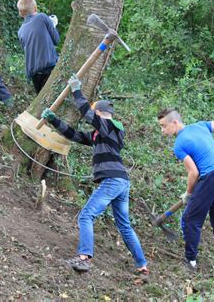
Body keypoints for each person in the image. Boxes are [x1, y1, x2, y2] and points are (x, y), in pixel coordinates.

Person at [41, 75, 149, 277]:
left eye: (94, 112)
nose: (93, 117)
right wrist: (55, 121)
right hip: (121, 182)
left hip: (113, 180)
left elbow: (88, 115)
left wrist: (76, 90)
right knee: (124, 225)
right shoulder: (100, 134)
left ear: (100, 112)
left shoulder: (111, 126)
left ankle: (83, 258)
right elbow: (75, 135)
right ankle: (142, 265)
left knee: (86, 215)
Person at [158, 108, 214, 273]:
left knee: (190, 219)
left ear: (175, 122)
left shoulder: (179, 144)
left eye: (164, 126)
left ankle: (190, 261)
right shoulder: (200, 126)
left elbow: (194, 173)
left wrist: (188, 193)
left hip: (211, 177)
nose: (162, 131)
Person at [17, 0, 60, 94]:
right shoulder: (42, 17)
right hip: (48, 67)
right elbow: (56, 40)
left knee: (42, 100)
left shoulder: (20, 31)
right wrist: (53, 25)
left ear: (20, 13)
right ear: (35, 8)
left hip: (33, 73)